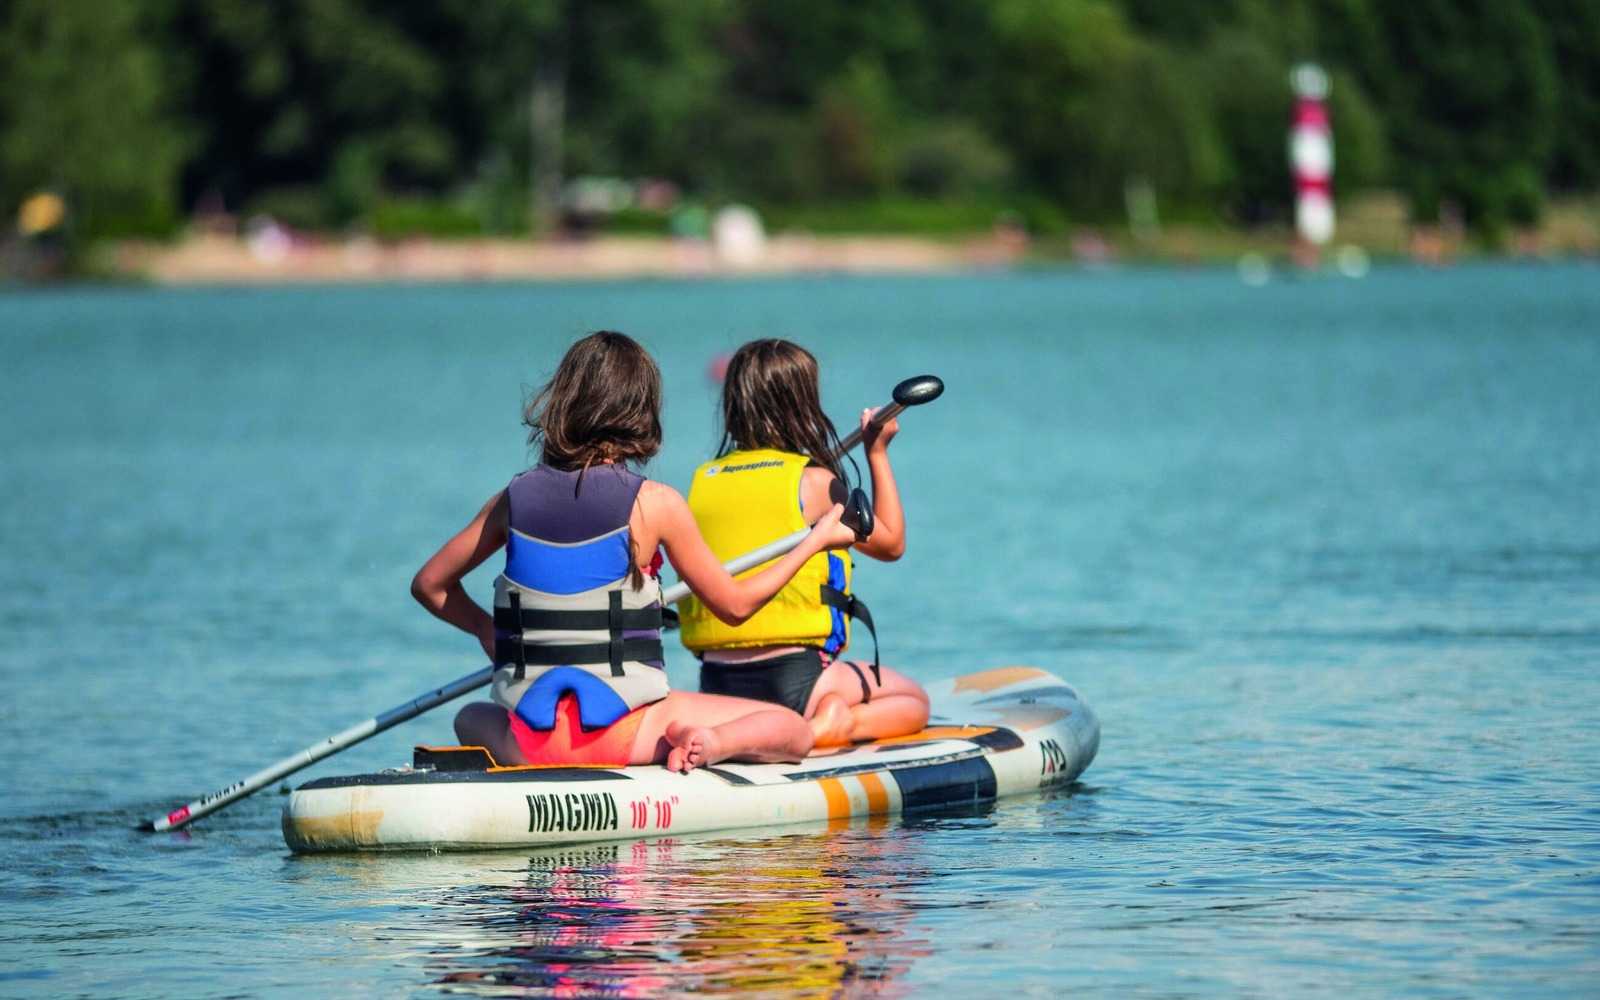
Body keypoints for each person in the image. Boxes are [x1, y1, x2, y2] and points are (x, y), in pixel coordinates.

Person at [411, 331, 861, 773]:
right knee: (791, 729)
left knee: (468, 716)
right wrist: (815, 540)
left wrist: (485, 629)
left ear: (562, 403)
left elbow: (429, 585)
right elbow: (735, 607)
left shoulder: (509, 502)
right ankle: (712, 743)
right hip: (623, 734)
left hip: (529, 745)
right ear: (640, 411)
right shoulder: (655, 504)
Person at [679, 339, 931, 746]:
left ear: (733, 405)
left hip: (717, 683)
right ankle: (825, 726)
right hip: (797, 680)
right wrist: (877, 452)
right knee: (913, 701)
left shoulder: (702, 483)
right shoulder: (814, 482)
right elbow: (891, 544)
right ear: (802, 405)